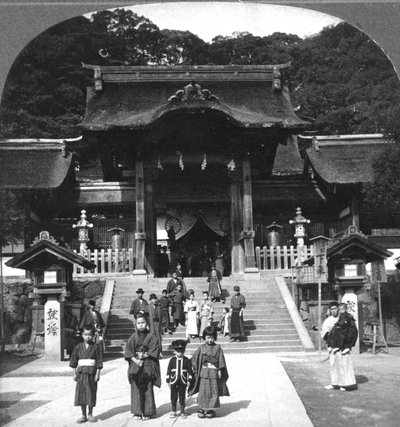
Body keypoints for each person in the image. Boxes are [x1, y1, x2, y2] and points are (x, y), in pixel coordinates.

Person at [125, 314, 161, 420]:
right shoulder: (133, 338)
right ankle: (137, 412)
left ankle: (148, 412)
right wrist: (136, 360)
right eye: (138, 323)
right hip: (136, 365)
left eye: (143, 323)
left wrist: (144, 355)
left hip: (147, 365)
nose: (141, 325)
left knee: (148, 387)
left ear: (147, 324)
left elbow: (155, 349)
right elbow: (128, 352)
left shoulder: (152, 337)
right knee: (135, 388)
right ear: (136, 325)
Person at [188, 326, 229, 419]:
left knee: (213, 391)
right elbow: (194, 359)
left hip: (214, 372)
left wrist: (219, 370)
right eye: (208, 337)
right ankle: (202, 408)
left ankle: (211, 409)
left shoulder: (218, 347)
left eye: (212, 337)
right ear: (204, 337)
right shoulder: (201, 348)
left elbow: (221, 360)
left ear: (214, 337)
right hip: (203, 372)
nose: (210, 340)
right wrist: (191, 365)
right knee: (203, 391)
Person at [321, 301, 358, 391]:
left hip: (343, 345)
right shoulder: (328, 320)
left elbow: (351, 331)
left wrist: (346, 344)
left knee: (344, 365)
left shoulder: (344, 317)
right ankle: (334, 384)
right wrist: (331, 339)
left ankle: (345, 385)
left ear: (338, 309)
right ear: (330, 310)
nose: (333, 311)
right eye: (332, 309)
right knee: (333, 365)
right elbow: (324, 331)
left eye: (335, 309)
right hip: (333, 345)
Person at [70, 325, 103, 424]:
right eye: (85, 334)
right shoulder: (78, 347)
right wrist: (74, 374)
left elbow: (99, 361)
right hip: (81, 374)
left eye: (90, 335)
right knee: (82, 394)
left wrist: (98, 374)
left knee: (91, 393)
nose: (87, 336)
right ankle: (83, 415)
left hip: (91, 374)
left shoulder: (96, 347)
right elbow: (74, 361)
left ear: (93, 335)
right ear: (82, 335)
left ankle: (90, 414)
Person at [166, 339, 193, 419]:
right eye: (178, 351)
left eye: (182, 351)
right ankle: (173, 411)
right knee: (173, 396)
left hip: (183, 381)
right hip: (173, 381)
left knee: (182, 396)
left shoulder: (187, 360)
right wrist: (168, 380)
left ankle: (182, 411)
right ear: (174, 351)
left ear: (184, 351)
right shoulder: (172, 360)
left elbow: (190, 371)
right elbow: (169, 371)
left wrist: (189, 380)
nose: (180, 353)